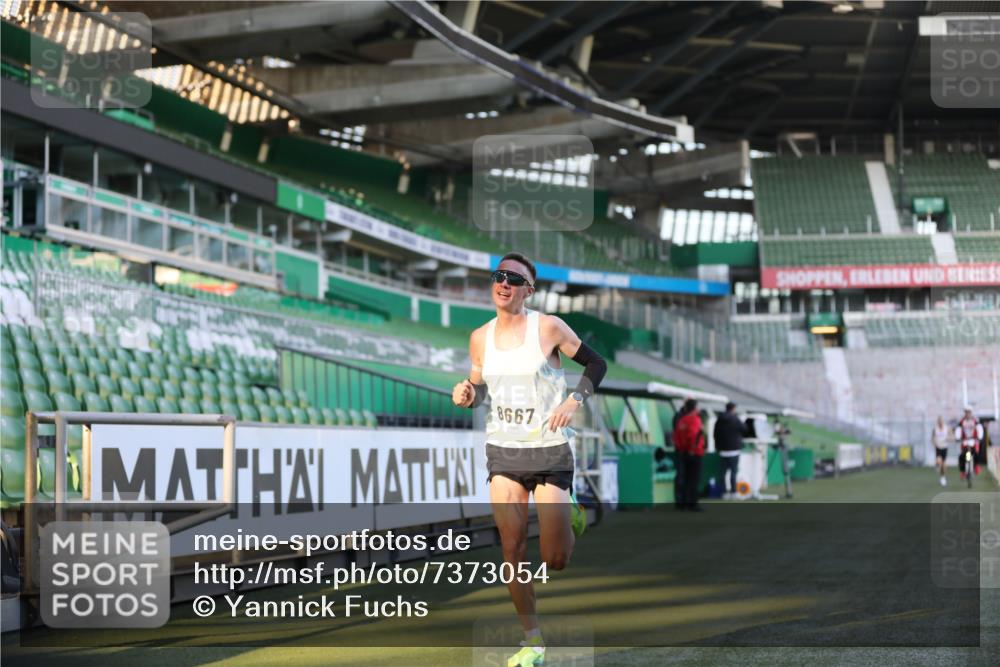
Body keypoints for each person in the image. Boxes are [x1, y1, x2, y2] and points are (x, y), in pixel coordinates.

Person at [451, 252, 607, 667]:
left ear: (528, 290)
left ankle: (571, 509)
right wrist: (467, 394)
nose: (503, 283)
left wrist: (576, 399)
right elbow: (480, 389)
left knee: (554, 560)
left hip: (549, 450)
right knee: (512, 549)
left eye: (514, 279)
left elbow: (597, 362)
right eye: (498, 276)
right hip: (503, 452)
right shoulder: (479, 337)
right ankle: (533, 641)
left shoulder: (549, 327)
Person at [674, 398, 706, 511]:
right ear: (695, 408)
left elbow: (676, 437)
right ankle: (693, 504)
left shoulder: (682, 420)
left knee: (686, 478)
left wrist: (681, 449)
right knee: (694, 479)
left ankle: (683, 503)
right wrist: (693, 449)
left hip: (683, 452)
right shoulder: (695, 420)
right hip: (694, 453)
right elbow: (694, 436)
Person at [713, 402, 747, 498]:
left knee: (722, 473)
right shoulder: (735, 419)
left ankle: (724, 493)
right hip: (734, 450)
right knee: (733, 472)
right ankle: (733, 492)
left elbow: (715, 434)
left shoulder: (719, 420)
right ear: (733, 409)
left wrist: (717, 447)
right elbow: (744, 429)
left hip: (722, 451)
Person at [954, 407, 983, 483]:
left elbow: (979, 428)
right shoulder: (962, 421)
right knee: (961, 456)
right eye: (966, 412)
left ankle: (976, 466)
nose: (968, 414)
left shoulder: (975, 421)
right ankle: (963, 471)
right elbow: (958, 429)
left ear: (971, 413)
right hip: (965, 441)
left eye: (969, 412)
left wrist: (980, 437)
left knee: (976, 453)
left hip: (973, 441)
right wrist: (957, 437)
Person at [672, 400, 691, 511]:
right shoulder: (679, 418)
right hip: (681, 451)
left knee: (686, 477)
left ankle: (685, 501)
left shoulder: (684, 417)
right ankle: (680, 502)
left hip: (687, 451)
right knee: (681, 476)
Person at [931, 416, 950, 486]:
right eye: (939, 421)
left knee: (943, 464)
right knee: (939, 460)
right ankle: (937, 465)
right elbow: (932, 438)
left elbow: (951, 435)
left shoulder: (946, 428)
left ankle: (942, 477)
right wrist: (934, 443)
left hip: (944, 447)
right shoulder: (935, 429)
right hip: (938, 447)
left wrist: (949, 438)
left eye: (941, 421)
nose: (940, 422)